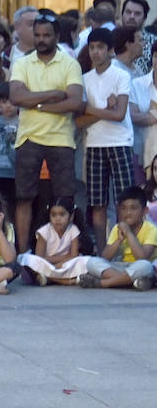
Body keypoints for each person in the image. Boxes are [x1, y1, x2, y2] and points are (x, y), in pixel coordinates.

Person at [9, 14, 84, 249]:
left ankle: (65, 252)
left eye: (46, 35)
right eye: (38, 35)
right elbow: (16, 97)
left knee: (65, 199)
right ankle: (23, 253)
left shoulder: (70, 63)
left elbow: (74, 102)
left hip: (61, 139)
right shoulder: (22, 63)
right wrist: (52, 95)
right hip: (28, 138)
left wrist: (36, 104)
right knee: (24, 198)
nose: (41, 40)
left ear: (57, 36)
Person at [76, 27, 134, 248]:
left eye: (100, 47)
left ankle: (125, 248)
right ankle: (103, 251)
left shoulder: (122, 75)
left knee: (125, 203)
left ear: (110, 50)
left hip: (120, 143)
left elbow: (119, 115)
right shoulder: (84, 79)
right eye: (92, 48)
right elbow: (78, 121)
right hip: (94, 144)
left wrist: (91, 109)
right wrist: (104, 108)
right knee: (98, 203)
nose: (95, 52)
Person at [79, 186, 155, 290]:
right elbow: (105, 257)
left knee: (145, 266)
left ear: (144, 211)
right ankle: (127, 282)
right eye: (124, 208)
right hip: (122, 267)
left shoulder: (152, 229)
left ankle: (104, 283)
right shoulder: (117, 228)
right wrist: (119, 240)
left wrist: (128, 233)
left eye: (133, 208)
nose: (128, 213)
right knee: (92, 263)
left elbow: (142, 258)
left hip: (139, 267)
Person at [18, 198, 87, 285]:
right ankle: (66, 281)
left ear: (71, 216)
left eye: (62, 215)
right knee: (28, 260)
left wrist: (59, 265)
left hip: (65, 265)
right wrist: (62, 259)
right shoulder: (44, 231)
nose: (57, 218)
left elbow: (74, 256)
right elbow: (40, 258)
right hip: (47, 265)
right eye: (53, 215)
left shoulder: (73, 230)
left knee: (83, 261)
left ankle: (49, 278)